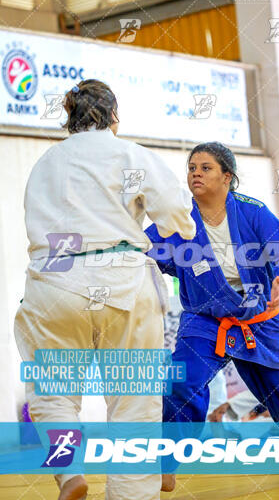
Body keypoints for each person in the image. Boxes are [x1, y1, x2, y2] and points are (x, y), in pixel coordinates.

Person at [14, 79, 196, 500]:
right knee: (135, 401)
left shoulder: (46, 162)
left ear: (68, 117)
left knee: (51, 391)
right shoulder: (129, 154)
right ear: (114, 116)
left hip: (54, 279)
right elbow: (174, 213)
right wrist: (176, 227)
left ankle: (70, 473)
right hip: (123, 281)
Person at [146, 141, 279, 488]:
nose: (196, 172)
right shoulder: (179, 217)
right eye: (192, 167)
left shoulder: (252, 213)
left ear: (228, 176)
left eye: (205, 167)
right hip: (206, 317)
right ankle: (167, 462)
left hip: (260, 314)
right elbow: (146, 252)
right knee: (182, 383)